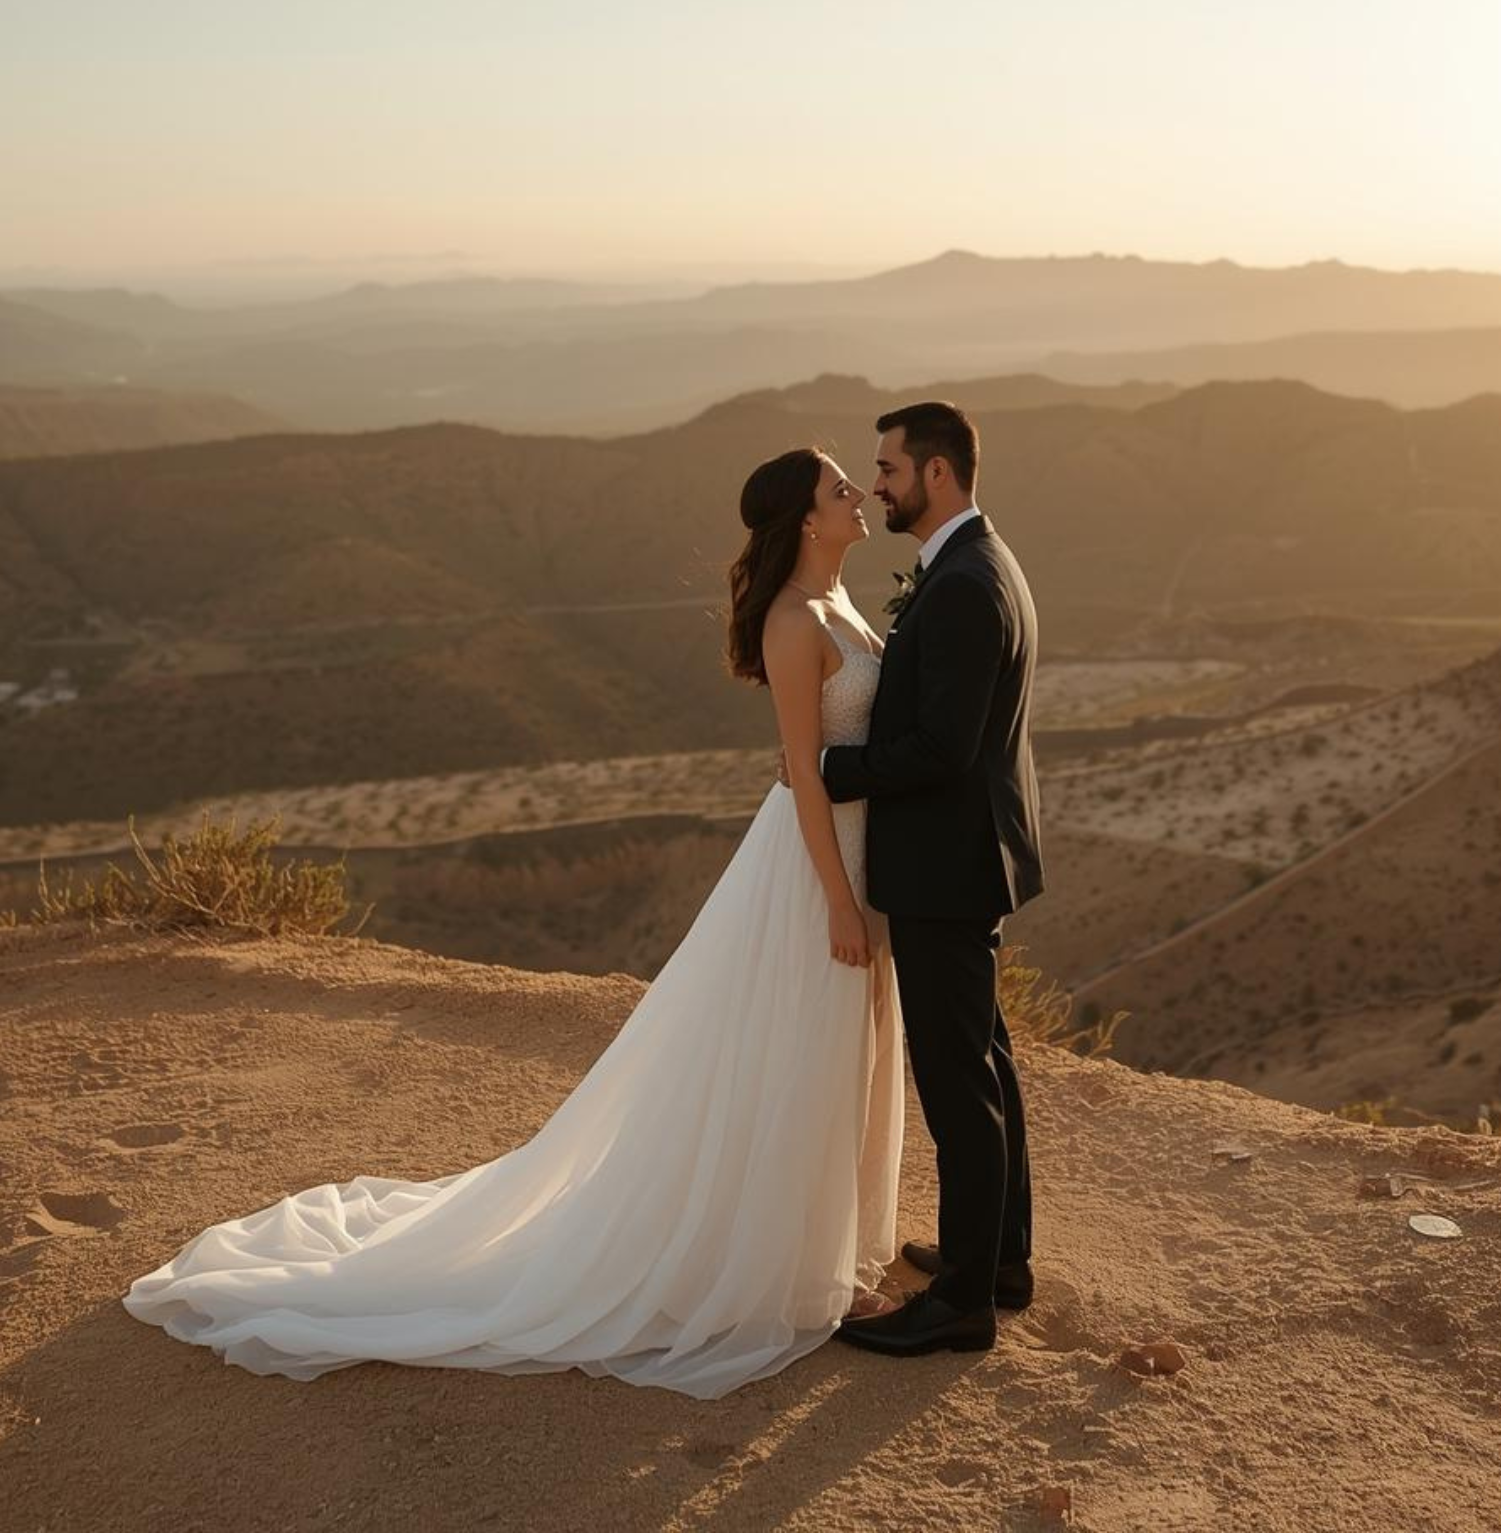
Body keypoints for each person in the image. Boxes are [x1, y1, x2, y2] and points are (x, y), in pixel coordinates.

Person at [121, 449, 904, 1399]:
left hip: (863, 856)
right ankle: (787, 1268)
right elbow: (804, 772)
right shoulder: (794, 621)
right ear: (803, 517)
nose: (855, 494)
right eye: (837, 487)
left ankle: (823, 1251)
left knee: (848, 1052)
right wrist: (834, 896)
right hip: (816, 863)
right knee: (804, 1053)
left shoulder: (845, 604)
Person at [782, 401, 1042, 1358]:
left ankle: (964, 1303)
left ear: (936, 473)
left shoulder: (968, 582)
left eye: (887, 468)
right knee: (987, 1065)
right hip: (966, 857)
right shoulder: (977, 563)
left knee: (958, 1082)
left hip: (946, 866)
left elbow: (943, 745)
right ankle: (1000, 1258)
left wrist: (835, 770)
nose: (877, 482)